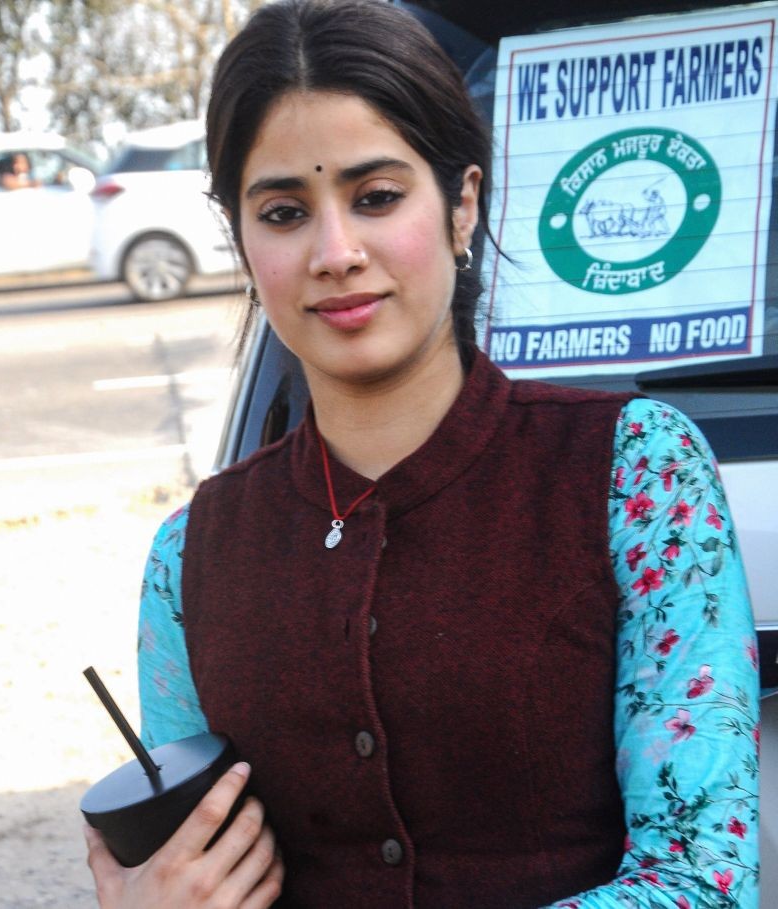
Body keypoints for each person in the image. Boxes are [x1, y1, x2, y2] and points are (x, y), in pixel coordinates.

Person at [85, 1, 760, 907]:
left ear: (462, 205)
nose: (335, 252)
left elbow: (702, 879)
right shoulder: (191, 556)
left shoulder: (634, 474)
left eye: (376, 197)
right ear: (243, 242)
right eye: (284, 211)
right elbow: (193, 872)